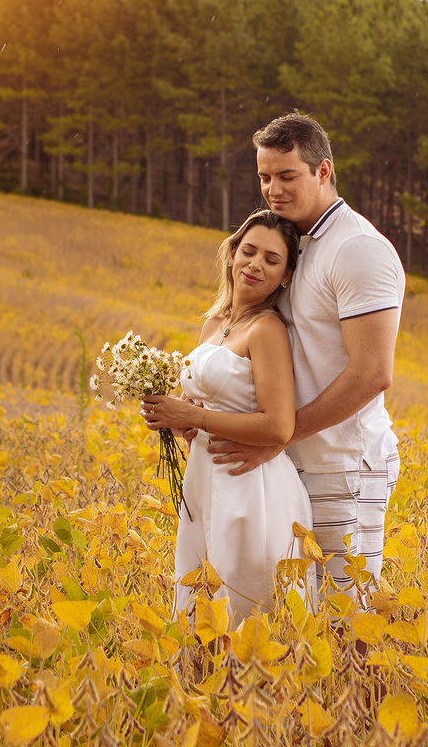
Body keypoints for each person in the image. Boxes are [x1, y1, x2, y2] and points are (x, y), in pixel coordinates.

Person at [209, 112, 405, 612]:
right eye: (264, 177)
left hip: (344, 464)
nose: (272, 190)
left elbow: (372, 373)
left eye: (287, 175)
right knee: (299, 616)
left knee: (348, 616)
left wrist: (280, 435)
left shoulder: (357, 248)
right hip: (290, 463)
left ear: (323, 171)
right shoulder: (292, 245)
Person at [142, 210, 314, 626]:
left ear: (286, 276)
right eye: (249, 251)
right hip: (203, 480)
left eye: (272, 260)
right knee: (199, 606)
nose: (255, 264)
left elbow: (278, 426)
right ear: (232, 253)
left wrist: (195, 418)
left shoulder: (267, 330)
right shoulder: (214, 323)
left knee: (245, 609)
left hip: (250, 486)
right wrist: (175, 418)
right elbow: (201, 408)